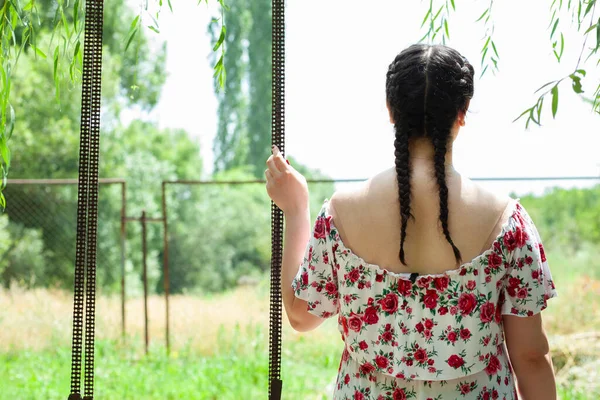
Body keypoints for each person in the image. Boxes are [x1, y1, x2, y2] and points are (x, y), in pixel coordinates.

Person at [265, 44, 558, 400]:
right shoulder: (508, 224)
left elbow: (301, 315)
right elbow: (529, 357)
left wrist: (296, 210)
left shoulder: (340, 215)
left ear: (391, 111)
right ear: (462, 112)